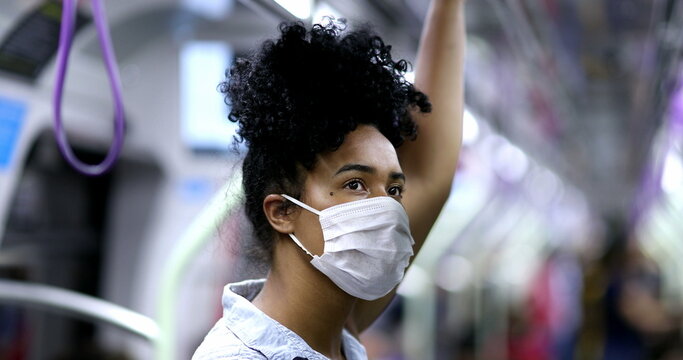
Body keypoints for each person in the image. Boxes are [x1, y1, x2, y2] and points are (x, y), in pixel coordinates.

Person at [193, 0, 465, 358]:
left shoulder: (334, 326)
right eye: (355, 184)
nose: (386, 208)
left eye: (395, 190)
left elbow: (430, 174)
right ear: (281, 211)